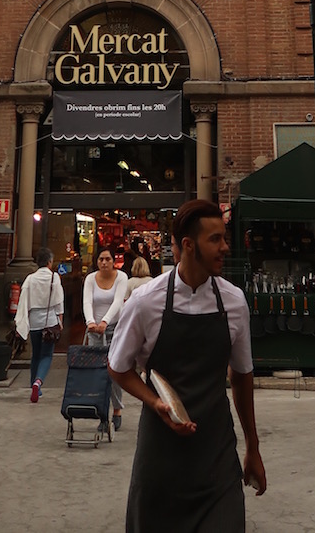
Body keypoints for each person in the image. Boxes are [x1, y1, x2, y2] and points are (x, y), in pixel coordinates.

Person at [108, 199, 266, 532]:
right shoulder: (145, 302)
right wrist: (155, 402)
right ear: (188, 245)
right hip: (159, 459)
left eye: (224, 238)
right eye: (215, 240)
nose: (225, 247)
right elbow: (118, 367)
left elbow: (242, 377)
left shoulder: (234, 302)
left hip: (217, 456)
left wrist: (252, 446)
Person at [83, 246, 128, 430]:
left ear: (113, 261)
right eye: (101, 259)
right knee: (99, 372)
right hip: (95, 331)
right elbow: (87, 301)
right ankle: (102, 412)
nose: (104, 263)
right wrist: (91, 322)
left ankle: (117, 409)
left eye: (107, 259)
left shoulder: (122, 277)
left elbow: (118, 301)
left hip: (115, 329)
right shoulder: (90, 279)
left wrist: (105, 321)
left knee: (114, 370)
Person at [14, 247, 64, 404]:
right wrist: (60, 321)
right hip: (50, 320)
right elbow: (59, 301)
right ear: (50, 262)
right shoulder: (54, 278)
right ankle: (38, 382)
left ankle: (33, 385)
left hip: (34, 320)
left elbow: (24, 302)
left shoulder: (30, 279)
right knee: (47, 355)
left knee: (35, 354)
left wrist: (22, 321)